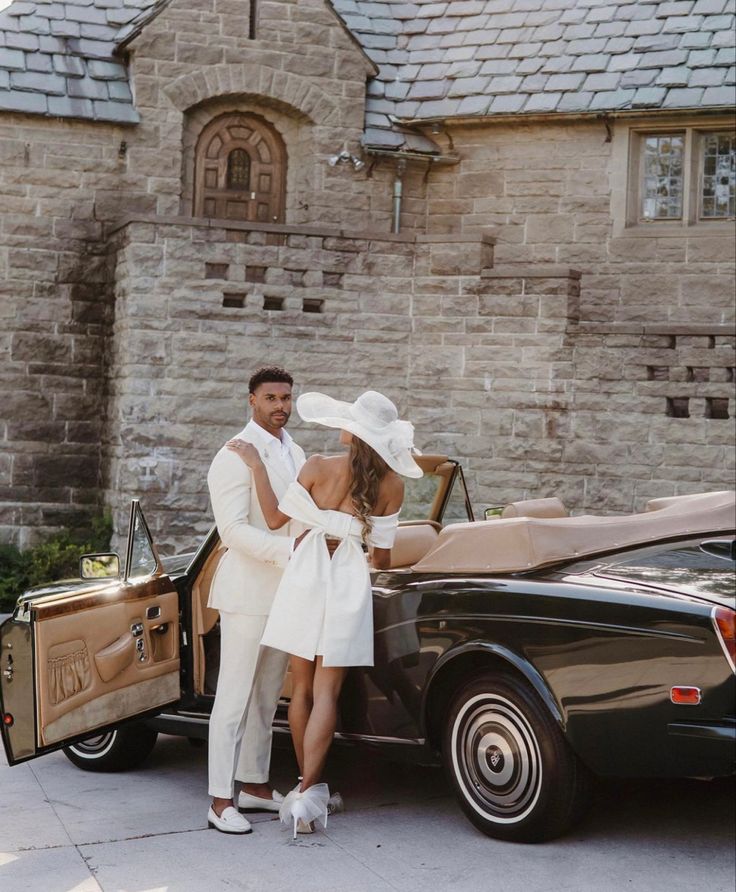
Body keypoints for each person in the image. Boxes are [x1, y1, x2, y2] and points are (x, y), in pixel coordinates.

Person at [227, 389, 422, 838]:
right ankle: (309, 790)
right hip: (348, 580)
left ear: (353, 431)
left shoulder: (315, 465)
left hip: (305, 577)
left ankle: (303, 794)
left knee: (301, 693)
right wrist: (352, 541)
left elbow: (275, 520)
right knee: (327, 693)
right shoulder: (393, 485)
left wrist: (257, 465)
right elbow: (384, 559)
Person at [205, 366, 307, 835]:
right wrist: (289, 552)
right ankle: (220, 799)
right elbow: (233, 532)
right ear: (252, 400)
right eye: (270, 398)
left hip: (285, 593)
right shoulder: (232, 455)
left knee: (267, 697)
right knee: (233, 698)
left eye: (286, 397)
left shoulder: (296, 450)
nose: (280, 406)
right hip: (246, 592)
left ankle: (255, 786)